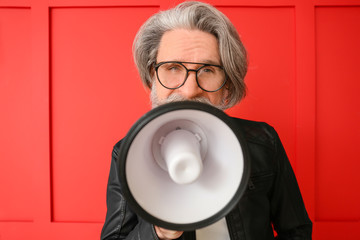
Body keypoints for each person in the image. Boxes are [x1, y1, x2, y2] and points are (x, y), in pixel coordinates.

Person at [101, 1, 312, 240]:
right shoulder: (127, 152)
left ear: (227, 84)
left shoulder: (263, 141)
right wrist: (158, 231)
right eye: (172, 68)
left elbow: (296, 231)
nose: (190, 90)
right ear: (153, 77)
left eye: (208, 70)